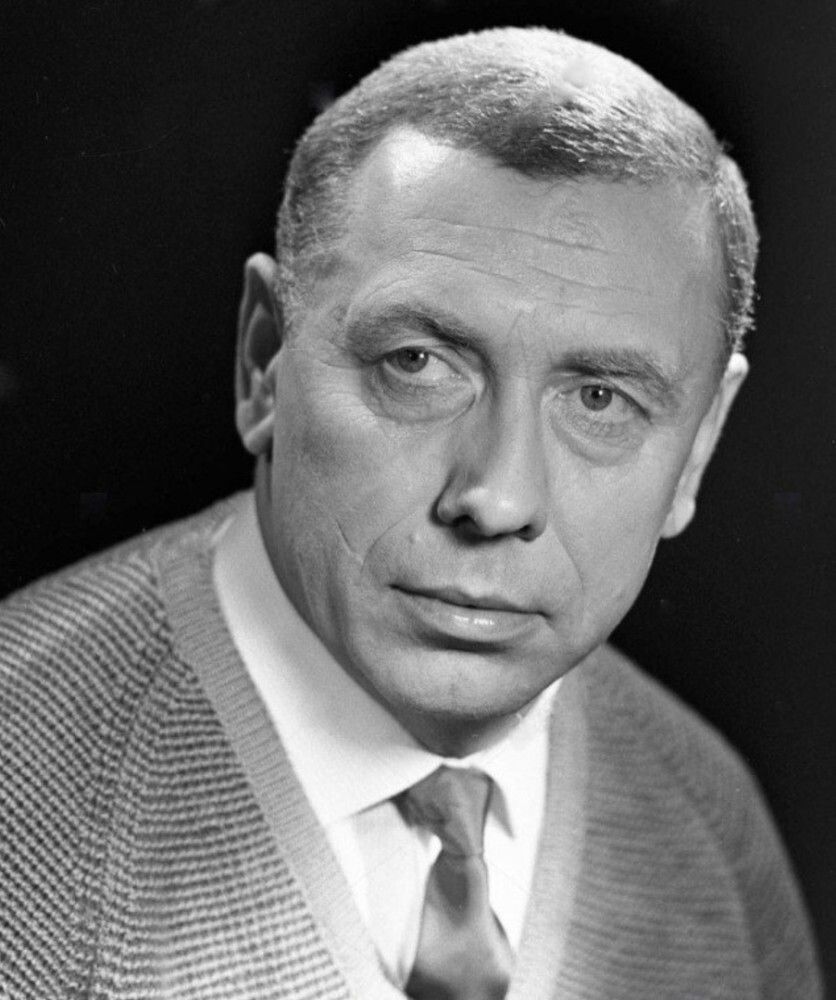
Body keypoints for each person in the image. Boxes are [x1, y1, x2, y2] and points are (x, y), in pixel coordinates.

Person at [0, 25, 822, 1000]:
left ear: (698, 443)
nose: (496, 499)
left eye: (600, 398)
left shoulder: (710, 821)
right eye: (417, 364)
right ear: (264, 361)